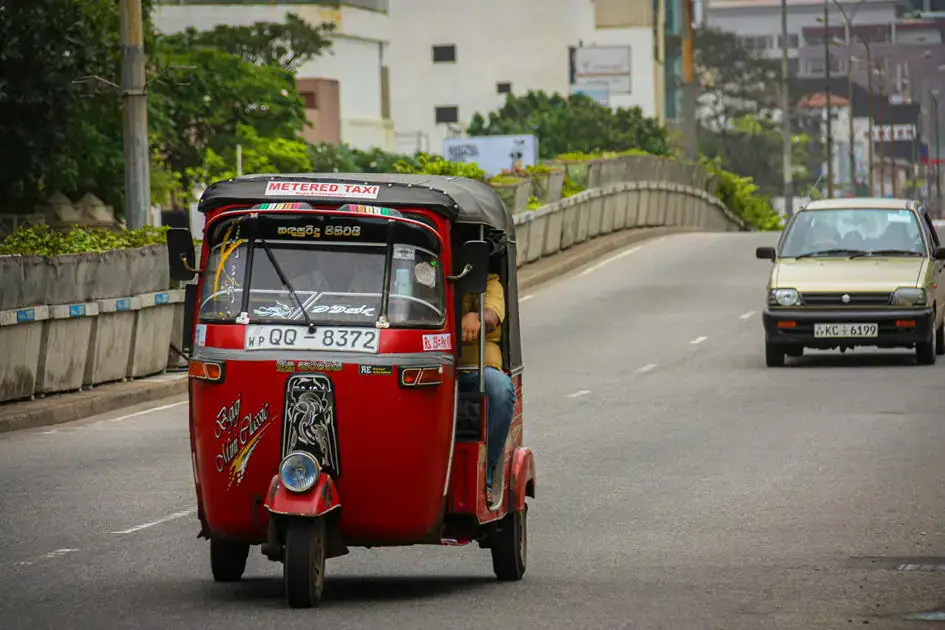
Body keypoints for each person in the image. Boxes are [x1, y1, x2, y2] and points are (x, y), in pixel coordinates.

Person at [457, 272, 515, 504]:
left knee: (500, 389)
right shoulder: (421, 269)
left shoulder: (488, 282)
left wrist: (477, 317)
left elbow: (493, 314)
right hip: (430, 364)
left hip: (475, 369)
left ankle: (485, 475)